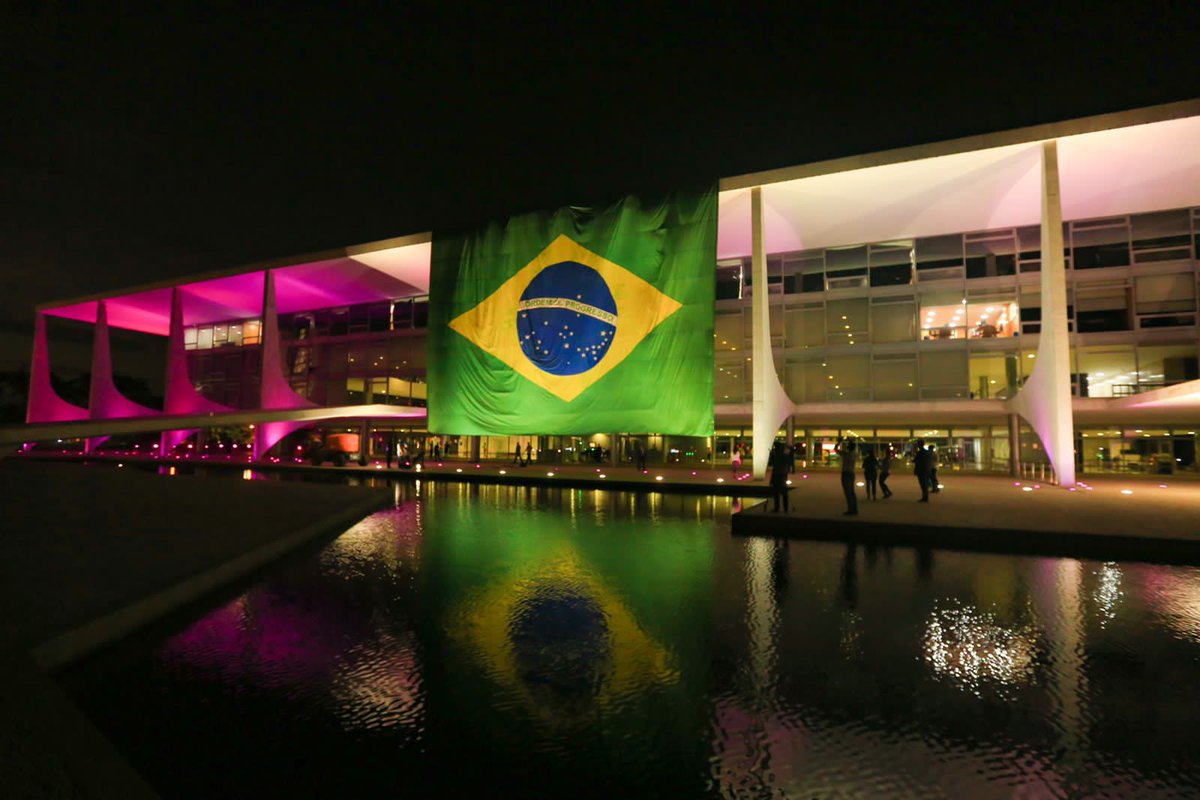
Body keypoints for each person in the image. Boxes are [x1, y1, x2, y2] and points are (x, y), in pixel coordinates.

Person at [835, 437, 858, 516]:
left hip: (846, 474)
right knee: (852, 492)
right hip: (851, 473)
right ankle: (854, 508)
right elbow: (852, 446)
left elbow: (836, 449)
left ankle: (850, 509)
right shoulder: (854, 454)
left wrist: (839, 442)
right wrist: (850, 440)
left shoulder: (846, 454)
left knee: (848, 493)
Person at [768, 441, 790, 513]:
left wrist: (771, 455)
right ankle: (785, 508)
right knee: (783, 493)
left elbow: (771, 465)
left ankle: (777, 508)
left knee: (777, 493)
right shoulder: (783, 455)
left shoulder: (777, 455)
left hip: (778, 475)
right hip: (782, 475)